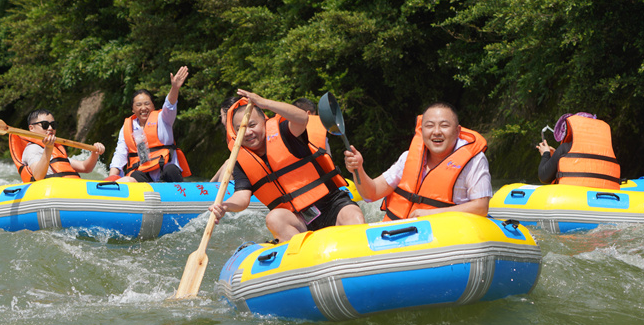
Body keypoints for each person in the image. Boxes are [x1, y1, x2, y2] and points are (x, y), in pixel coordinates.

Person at [208, 90, 364, 242]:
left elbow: (302, 118)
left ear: (264, 122)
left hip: (332, 204)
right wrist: (224, 206)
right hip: (298, 219)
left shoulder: (285, 133)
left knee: (353, 215)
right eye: (240, 129)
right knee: (274, 218)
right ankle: (302, 257)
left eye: (252, 125)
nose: (248, 132)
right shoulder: (240, 161)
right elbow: (242, 197)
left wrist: (265, 103)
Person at [344, 102, 492, 220]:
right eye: (429, 126)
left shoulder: (474, 160)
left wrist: (431, 215)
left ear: (458, 131)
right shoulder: (408, 157)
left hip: (444, 238)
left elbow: (481, 207)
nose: (436, 131)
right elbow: (372, 194)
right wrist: (358, 169)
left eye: (444, 125)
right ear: (422, 131)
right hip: (401, 236)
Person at [109, 66, 192, 183]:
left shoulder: (163, 118)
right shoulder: (129, 126)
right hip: (143, 176)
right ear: (133, 109)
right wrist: (112, 177)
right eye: (138, 105)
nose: (143, 108)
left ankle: (179, 196)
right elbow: (120, 153)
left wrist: (174, 88)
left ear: (153, 106)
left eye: (147, 104)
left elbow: (169, 106)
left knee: (171, 169)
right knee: (136, 174)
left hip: (165, 173)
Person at [9, 110, 105, 182]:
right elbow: (38, 176)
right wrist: (48, 149)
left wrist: (95, 153)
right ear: (31, 128)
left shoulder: (56, 149)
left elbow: (85, 167)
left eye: (53, 125)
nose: (50, 128)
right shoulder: (32, 149)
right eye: (45, 125)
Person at [535, 112, 620, 190]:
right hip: (607, 197)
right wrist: (557, 154)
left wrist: (546, 153)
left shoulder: (565, 148)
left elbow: (544, 176)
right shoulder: (608, 151)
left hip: (573, 200)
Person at [210, 95, 240, 183]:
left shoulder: (241, 132)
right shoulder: (235, 131)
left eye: (221, 115)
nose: (221, 120)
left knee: (229, 164)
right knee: (228, 162)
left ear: (228, 115)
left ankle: (220, 194)